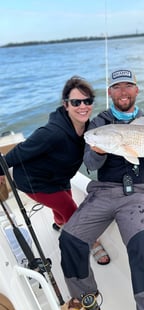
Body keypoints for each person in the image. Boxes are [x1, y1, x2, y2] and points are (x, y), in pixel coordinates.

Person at [59, 69, 144, 310]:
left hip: (137, 196)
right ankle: (87, 295)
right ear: (110, 93)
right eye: (117, 87)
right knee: (70, 239)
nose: (123, 92)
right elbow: (90, 162)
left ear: (137, 90)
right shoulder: (99, 123)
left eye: (128, 87)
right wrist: (98, 152)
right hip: (104, 192)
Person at [0, 76, 110, 265]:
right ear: (66, 104)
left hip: (59, 176)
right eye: (76, 102)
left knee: (62, 207)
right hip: (35, 181)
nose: (83, 106)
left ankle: (60, 224)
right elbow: (18, 152)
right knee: (71, 210)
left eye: (87, 101)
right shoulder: (52, 132)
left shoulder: (86, 129)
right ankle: (91, 242)